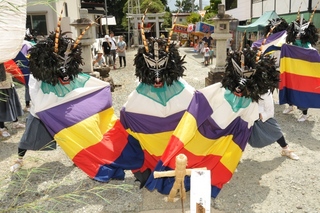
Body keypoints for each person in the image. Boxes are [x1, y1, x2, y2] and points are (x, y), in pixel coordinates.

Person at [282, 15, 319, 122]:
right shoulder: (290, 45)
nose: (298, 34)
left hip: (303, 73)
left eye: (301, 31)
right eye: (296, 31)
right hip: (291, 70)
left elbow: (314, 57)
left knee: (303, 90)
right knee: (289, 86)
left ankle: (304, 113)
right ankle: (290, 105)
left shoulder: (309, 47)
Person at [248, 90, 299, 160]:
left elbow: (270, 112)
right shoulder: (242, 85)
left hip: (260, 117)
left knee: (276, 131)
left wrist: (258, 115)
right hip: (245, 116)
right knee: (238, 136)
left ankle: (286, 150)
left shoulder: (265, 91)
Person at [0, 64, 25, 138]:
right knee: (2, 106)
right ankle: (1, 128)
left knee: (12, 102)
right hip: (1, 84)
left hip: (8, 80)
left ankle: (15, 122)